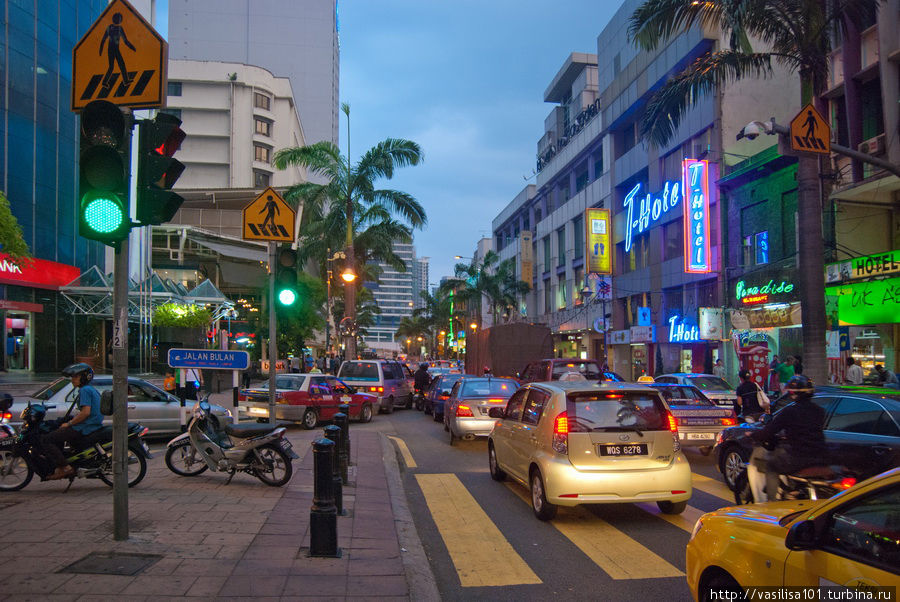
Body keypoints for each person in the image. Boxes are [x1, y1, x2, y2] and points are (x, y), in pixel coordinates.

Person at [751, 374, 827, 500]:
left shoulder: (790, 411)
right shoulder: (819, 410)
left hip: (799, 457)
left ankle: (771, 503)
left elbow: (768, 432)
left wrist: (753, 434)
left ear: (794, 393)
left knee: (771, 465)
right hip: (821, 456)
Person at [42, 363, 104, 480]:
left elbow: (85, 412)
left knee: (47, 439)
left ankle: (65, 467)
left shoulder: (85, 390)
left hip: (86, 427)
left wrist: (69, 423)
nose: (72, 380)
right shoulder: (89, 389)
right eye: (72, 377)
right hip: (91, 425)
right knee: (58, 433)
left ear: (85, 377)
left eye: (76, 377)